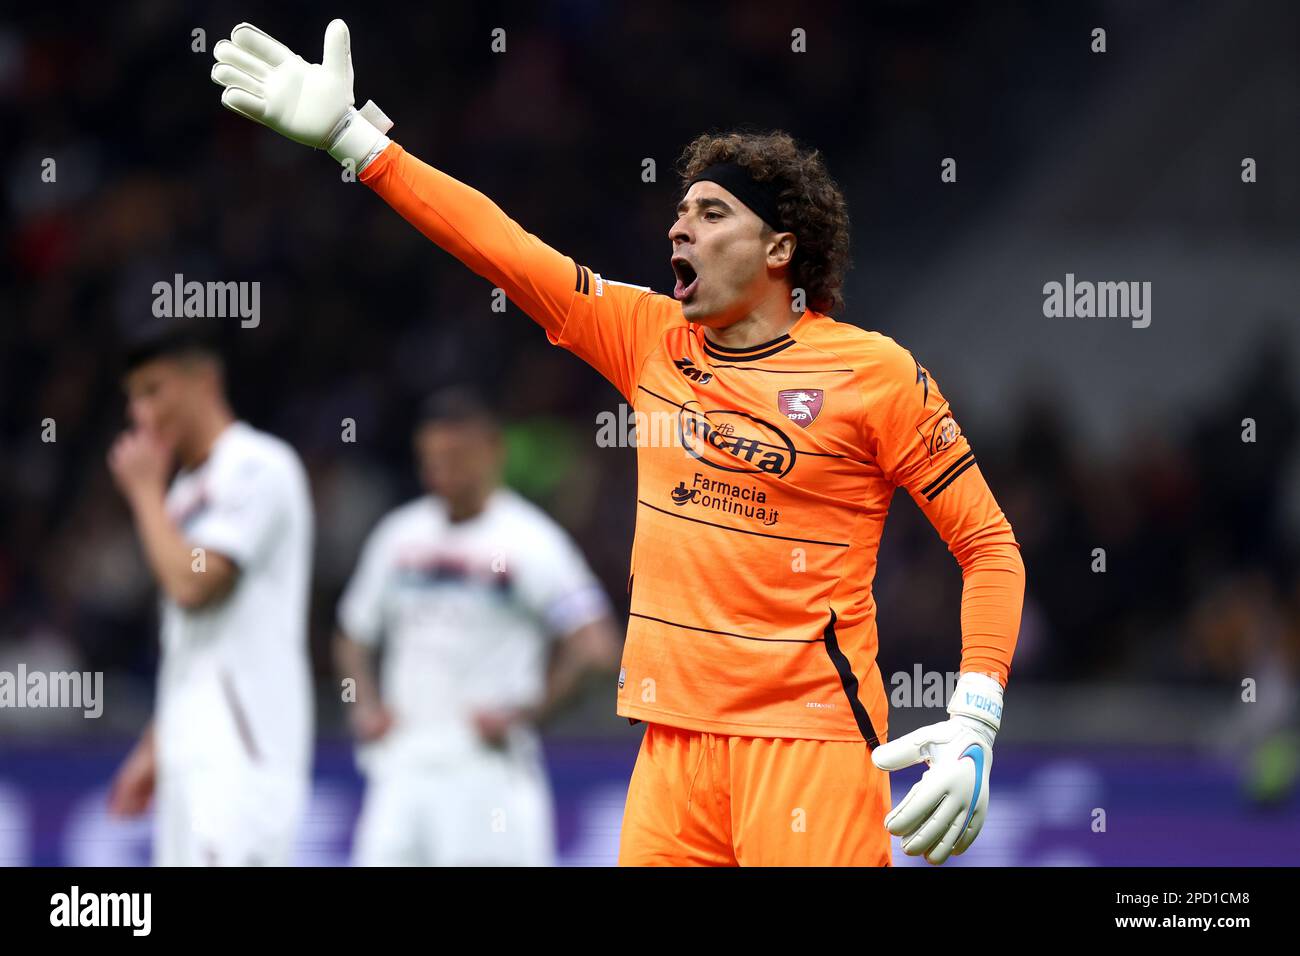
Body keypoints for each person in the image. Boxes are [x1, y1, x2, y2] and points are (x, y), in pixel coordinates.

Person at [210, 20, 1026, 866]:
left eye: (712, 213)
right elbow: (504, 251)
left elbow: (990, 547)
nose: (680, 229)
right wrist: (357, 142)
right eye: (679, 212)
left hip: (807, 745)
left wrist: (974, 718)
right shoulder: (650, 339)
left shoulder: (875, 374)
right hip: (670, 746)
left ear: (781, 248)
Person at [334, 389, 621, 866]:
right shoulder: (399, 536)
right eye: (430, 459)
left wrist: (529, 713)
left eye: (454, 457)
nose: (439, 472)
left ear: (493, 451)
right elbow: (352, 633)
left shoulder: (531, 542)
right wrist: (362, 705)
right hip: (402, 767)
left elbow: (596, 645)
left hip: (486, 775)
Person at [106, 325, 314, 866]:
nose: (140, 413)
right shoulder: (180, 493)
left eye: (153, 391)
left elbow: (195, 583)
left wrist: (144, 495)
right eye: (132, 398)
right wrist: (154, 747)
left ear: (204, 380)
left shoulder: (258, 466)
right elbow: (190, 642)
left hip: (244, 751)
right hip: (189, 752)